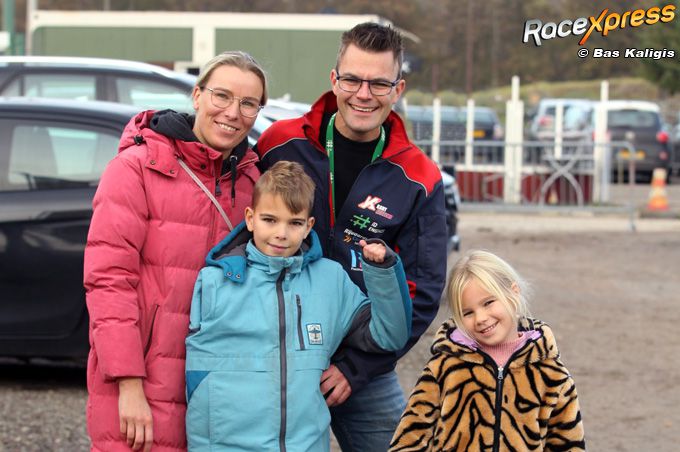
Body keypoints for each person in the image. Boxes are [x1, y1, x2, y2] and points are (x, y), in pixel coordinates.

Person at [256, 22, 448, 450]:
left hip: (359, 368)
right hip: (275, 352)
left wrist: (356, 367)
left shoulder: (419, 177)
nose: (364, 94)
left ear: (398, 89)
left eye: (379, 83)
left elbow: (421, 290)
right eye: (353, 80)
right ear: (334, 79)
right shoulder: (278, 144)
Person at [83, 51, 267, 452]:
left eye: (248, 103)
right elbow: (109, 282)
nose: (233, 113)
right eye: (222, 95)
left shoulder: (254, 183)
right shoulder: (136, 168)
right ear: (197, 95)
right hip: (142, 382)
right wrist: (128, 384)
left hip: (217, 392)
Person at [184, 161, 412, 451]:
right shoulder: (214, 281)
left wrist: (382, 273)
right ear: (250, 219)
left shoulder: (331, 280)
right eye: (270, 220)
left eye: (294, 223)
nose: (281, 233)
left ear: (308, 226)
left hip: (305, 444)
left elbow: (390, 336)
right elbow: (197, 374)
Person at [389, 250, 586, 451]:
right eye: (468, 312)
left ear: (513, 293)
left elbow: (568, 444)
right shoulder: (443, 367)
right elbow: (410, 437)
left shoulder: (552, 373)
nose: (481, 318)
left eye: (488, 303)